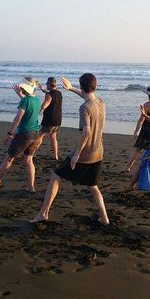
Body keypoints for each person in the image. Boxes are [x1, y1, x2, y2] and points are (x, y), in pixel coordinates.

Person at [30, 74, 110, 225]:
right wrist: (71, 88)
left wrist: (76, 155)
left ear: (82, 86)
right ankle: (105, 218)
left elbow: (86, 131)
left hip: (85, 154)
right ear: (96, 85)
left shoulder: (84, 108)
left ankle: (43, 213)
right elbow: (88, 98)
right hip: (99, 152)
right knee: (93, 186)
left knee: (55, 176)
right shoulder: (100, 102)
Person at [0, 78, 42, 192]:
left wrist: (10, 133)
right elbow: (29, 104)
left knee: (8, 159)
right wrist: (20, 95)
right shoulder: (37, 99)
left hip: (24, 134)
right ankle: (31, 187)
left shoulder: (25, 101)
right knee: (29, 160)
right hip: (35, 134)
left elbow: (17, 119)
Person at [14, 77, 63, 160]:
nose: (46, 85)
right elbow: (50, 93)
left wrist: (37, 112)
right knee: (53, 137)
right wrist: (42, 89)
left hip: (49, 119)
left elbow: (44, 105)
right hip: (58, 119)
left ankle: (34, 153)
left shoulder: (49, 95)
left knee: (39, 136)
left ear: (50, 84)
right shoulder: (59, 93)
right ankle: (56, 156)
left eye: (47, 84)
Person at [122, 85, 150, 172]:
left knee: (138, 149)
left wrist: (136, 131)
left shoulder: (147, 105)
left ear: (149, 95)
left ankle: (128, 166)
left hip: (146, 130)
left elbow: (141, 119)